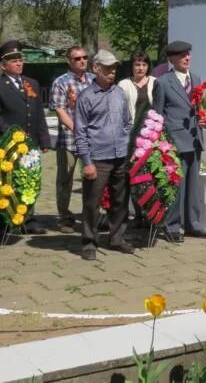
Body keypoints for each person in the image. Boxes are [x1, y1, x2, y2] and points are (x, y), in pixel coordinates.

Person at [74, 50, 133, 260]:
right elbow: (80, 133)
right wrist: (87, 162)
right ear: (95, 69)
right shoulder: (86, 97)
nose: (112, 72)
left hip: (120, 156)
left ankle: (117, 238)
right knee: (92, 202)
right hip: (98, 159)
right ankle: (89, 242)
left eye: (115, 68)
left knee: (120, 200)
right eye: (107, 68)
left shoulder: (119, 93)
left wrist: (128, 148)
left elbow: (127, 123)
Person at [153, 41, 206, 241]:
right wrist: (161, 144)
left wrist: (203, 118)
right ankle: (171, 227)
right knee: (175, 187)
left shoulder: (196, 79)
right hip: (174, 141)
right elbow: (157, 114)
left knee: (193, 187)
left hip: (194, 139)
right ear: (172, 59)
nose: (187, 58)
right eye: (182, 56)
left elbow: (197, 109)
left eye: (188, 54)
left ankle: (194, 225)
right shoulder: (163, 82)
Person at [0, 40, 50, 234]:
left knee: (30, 180)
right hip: (8, 144)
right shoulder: (1, 85)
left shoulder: (32, 83)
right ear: (3, 64)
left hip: (31, 144)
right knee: (8, 182)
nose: (19, 63)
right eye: (13, 60)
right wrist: (11, 133)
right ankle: (6, 220)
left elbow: (39, 114)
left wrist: (44, 139)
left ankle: (29, 218)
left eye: (20, 59)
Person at [49, 45, 95, 233]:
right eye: (77, 58)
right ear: (69, 61)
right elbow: (60, 111)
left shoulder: (94, 79)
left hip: (93, 139)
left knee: (91, 179)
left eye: (84, 57)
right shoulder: (61, 82)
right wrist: (79, 131)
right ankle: (65, 218)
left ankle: (90, 216)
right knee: (65, 179)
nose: (82, 60)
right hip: (69, 139)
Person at [117, 51, 156, 131]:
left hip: (152, 129)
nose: (141, 68)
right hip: (130, 129)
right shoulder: (123, 84)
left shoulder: (155, 82)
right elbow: (119, 110)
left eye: (144, 65)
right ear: (132, 66)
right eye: (137, 65)